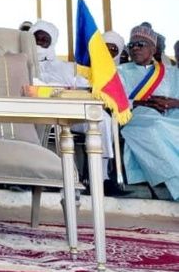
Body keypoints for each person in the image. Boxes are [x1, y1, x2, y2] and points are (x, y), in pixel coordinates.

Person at [29, 20, 121, 195]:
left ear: (52, 42)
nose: (40, 41)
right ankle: (45, 176)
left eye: (44, 38)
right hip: (37, 115)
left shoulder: (68, 68)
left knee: (101, 118)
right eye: (36, 38)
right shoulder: (23, 62)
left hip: (69, 115)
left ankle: (101, 179)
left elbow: (84, 86)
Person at [117, 25, 179, 200]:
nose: (135, 48)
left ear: (153, 48)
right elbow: (113, 101)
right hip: (138, 115)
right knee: (154, 126)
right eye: (132, 45)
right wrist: (140, 102)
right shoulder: (120, 72)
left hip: (171, 114)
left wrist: (171, 102)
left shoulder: (172, 72)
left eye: (141, 44)